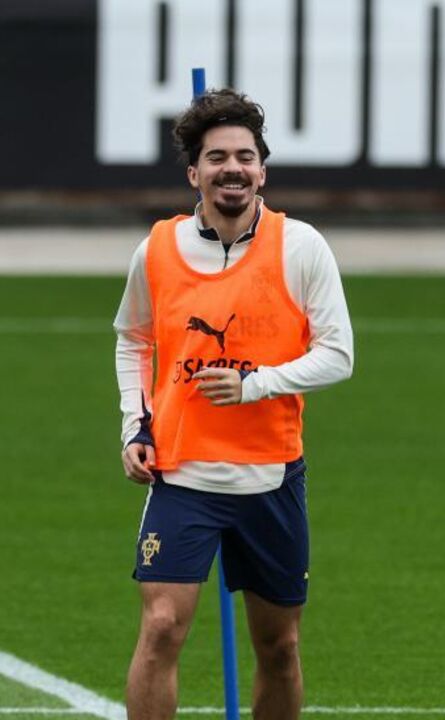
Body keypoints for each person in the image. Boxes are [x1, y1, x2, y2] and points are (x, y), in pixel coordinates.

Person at [113, 89, 354, 719]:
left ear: (262, 171)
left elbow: (339, 355)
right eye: (216, 157)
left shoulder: (301, 247)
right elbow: (133, 338)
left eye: (245, 157)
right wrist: (135, 425)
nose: (233, 168)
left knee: (279, 646)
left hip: (270, 476)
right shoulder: (157, 249)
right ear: (194, 173)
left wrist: (256, 385)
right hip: (182, 475)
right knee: (161, 628)